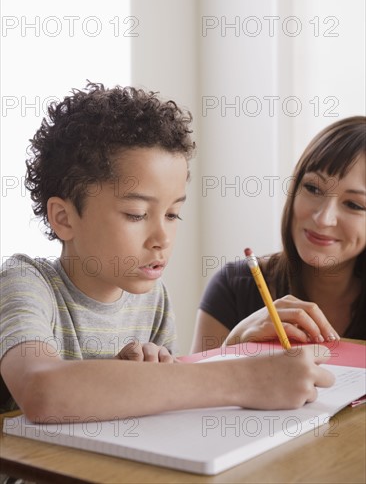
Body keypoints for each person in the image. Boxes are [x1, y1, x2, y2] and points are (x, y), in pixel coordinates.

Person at [0, 82, 335, 424]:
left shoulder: (153, 300)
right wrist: (246, 378)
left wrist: (145, 377)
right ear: (64, 218)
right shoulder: (26, 283)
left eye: (173, 214)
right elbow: (42, 392)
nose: (162, 237)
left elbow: (168, 413)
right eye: (136, 215)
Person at [191, 116, 366, 354]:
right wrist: (233, 344)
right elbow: (194, 390)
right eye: (313, 188)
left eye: (354, 205)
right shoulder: (235, 286)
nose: (323, 218)